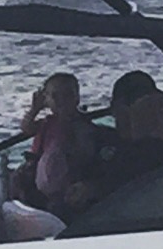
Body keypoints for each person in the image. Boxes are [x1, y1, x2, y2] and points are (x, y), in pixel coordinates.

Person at [17, 71, 101, 212]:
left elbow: (84, 156)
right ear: (46, 100)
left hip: (66, 186)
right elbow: (27, 128)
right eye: (54, 96)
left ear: (77, 98)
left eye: (67, 95)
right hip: (39, 182)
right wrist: (35, 109)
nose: (61, 100)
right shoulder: (47, 123)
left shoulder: (82, 125)